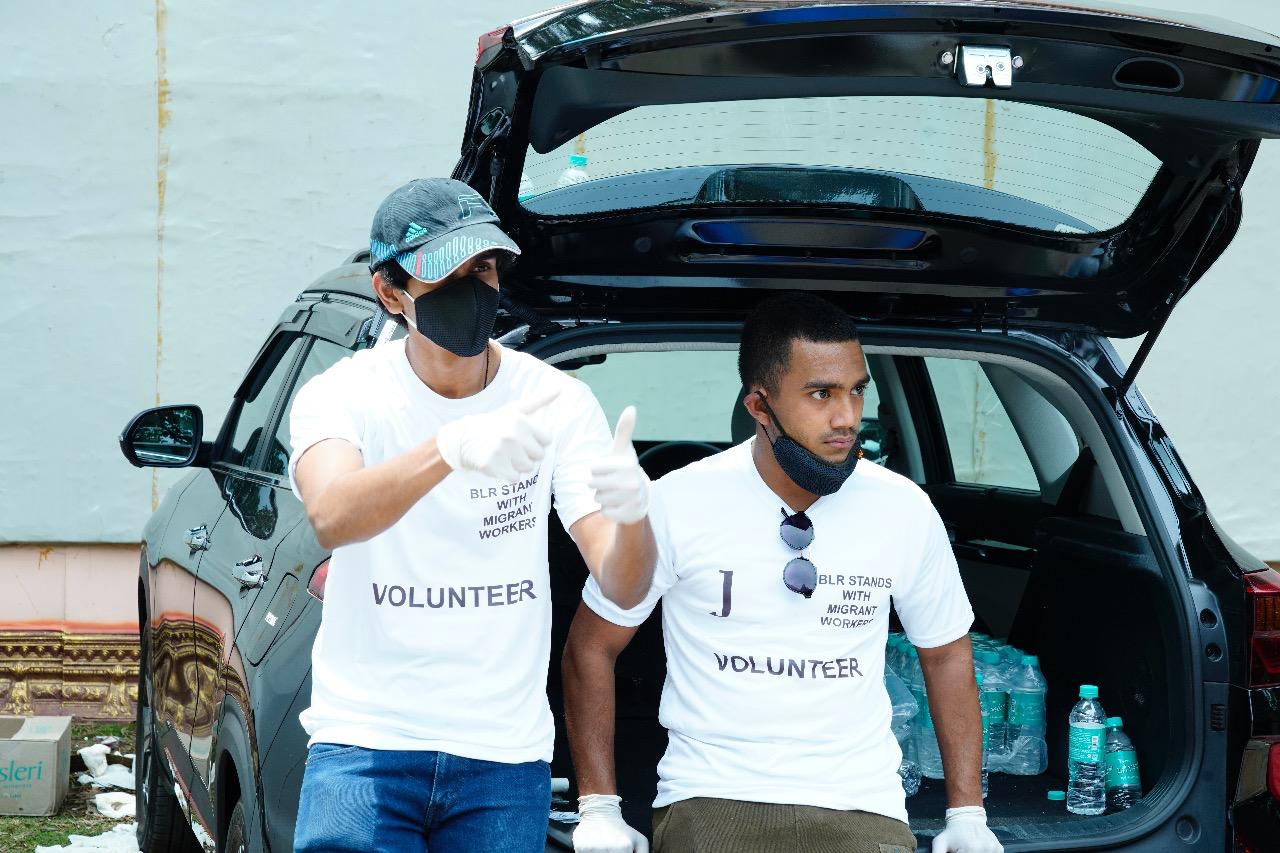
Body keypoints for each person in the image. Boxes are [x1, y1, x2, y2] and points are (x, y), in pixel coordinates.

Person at [288, 177, 656, 853]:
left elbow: (623, 580)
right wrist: (451, 446)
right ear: (390, 294)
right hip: (367, 743)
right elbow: (333, 513)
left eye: (484, 267)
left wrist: (635, 519)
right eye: (448, 275)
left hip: (501, 755)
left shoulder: (555, 400)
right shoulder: (343, 395)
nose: (474, 288)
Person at [563, 292, 1002, 853]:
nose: (847, 418)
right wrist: (599, 807)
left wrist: (968, 815)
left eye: (856, 391)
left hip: (862, 803)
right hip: (712, 797)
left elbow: (945, 654)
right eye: (821, 394)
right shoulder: (676, 502)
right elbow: (591, 648)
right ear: (760, 406)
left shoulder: (904, 508)